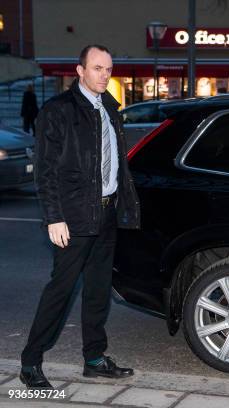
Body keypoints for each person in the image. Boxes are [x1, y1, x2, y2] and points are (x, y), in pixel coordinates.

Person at [19, 45, 140, 389]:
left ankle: (94, 358)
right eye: (98, 68)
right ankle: (30, 363)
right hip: (72, 218)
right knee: (60, 290)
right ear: (80, 70)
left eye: (108, 69)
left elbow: (117, 164)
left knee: (98, 292)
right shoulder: (58, 111)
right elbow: (45, 171)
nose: (104, 75)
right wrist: (54, 218)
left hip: (106, 214)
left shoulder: (110, 109)